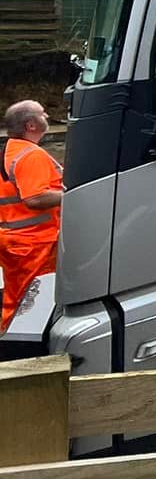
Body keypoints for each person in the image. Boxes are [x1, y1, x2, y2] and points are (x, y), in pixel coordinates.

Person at [1, 100, 63, 334]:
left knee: (18, 300)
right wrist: (74, 196)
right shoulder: (31, 156)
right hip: (34, 244)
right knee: (28, 303)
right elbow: (34, 198)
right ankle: (17, 352)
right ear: (31, 125)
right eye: (41, 114)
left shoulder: (12, 149)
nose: (47, 115)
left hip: (18, 242)